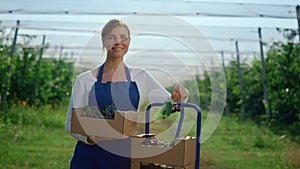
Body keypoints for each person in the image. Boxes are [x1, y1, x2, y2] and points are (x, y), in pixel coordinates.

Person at [65, 18, 189, 169]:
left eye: (123, 37)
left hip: (125, 158)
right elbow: (70, 124)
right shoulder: (85, 80)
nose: (118, 42)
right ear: (104, 42)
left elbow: (169, 106)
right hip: (89, 158)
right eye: (112, 37)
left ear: (129, 42)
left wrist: (181, 95)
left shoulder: (140, 77)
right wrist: (90, 138)